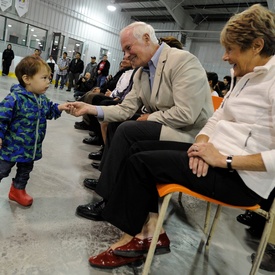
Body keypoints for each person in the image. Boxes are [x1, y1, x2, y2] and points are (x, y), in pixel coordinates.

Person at [69, 4, 275, 269]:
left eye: (231, 50)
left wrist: (225, 160)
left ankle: (133, 238)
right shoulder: (245, 76)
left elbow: (190, 115)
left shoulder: (268, 82)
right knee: (138, 151)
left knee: (140, 160)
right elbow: (217, 118)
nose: (224, 58)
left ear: (256, 46)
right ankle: (149, 231)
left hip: (241, 178)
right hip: (212, 155)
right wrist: (203, 146)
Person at [70, 21, 213, 222]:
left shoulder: (183, 61)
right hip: (164, 126)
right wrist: (90, 109)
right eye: (124, 51)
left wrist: (149, 117)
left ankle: (109, 200)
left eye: (129, 48)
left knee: (129, 130)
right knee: (116, 125)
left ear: (146, 38)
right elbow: (125, 109)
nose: (126, 55)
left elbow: (186, 114)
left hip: (188, 133)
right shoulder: (141, 72)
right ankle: (110, 180)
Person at [0, 56, 70, 207]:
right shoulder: (15, 98)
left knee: (25, 170)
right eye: (44, 78)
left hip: (30, 147)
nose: (48, 82)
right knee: (2, 169)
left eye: (49, 78)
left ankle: (17, 191)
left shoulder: (42, 99)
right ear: (27, 79)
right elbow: (1, 118)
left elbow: (49, 110)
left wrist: (59, 108)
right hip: (11, 146)